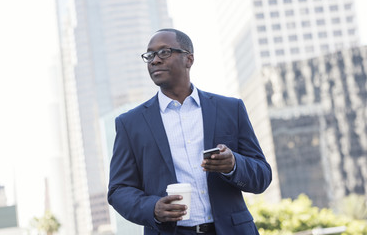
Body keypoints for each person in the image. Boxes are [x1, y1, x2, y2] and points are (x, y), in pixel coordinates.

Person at [108, 29, 272, 235]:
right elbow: (118, 190)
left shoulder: (230, 109)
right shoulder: (130, 123)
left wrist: (234, 165)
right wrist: (153, 208)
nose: (155, 60)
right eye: (150, 55)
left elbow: (262, 176)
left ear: (189, 59)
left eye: (164, 52)